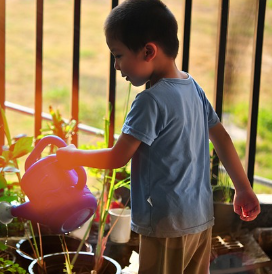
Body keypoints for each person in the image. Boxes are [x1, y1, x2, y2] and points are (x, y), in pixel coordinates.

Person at [56, 0, 261, 273]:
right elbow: (221, 138)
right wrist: (243, 188)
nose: (117, 66)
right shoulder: (192, 86)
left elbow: (118, 157)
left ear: (148, 51)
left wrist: (73, 157)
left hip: (167, 226)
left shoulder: (150, 102)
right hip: (199, 220)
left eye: (118, 55)